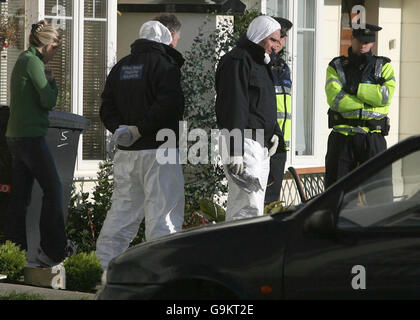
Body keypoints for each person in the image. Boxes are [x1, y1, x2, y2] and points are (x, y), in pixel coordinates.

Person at [96, 17, 185, 270]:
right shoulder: (165, 65)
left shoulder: (121, 67)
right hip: (160, 150)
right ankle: (162, 275)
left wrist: (122, 130)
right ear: (166, 39)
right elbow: (169, 106)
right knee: (163, 215)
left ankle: (101, 270)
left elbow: (107, 106)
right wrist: (141, 129)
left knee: (121, 215)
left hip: (127, 153)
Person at [4, 20, 67, 267]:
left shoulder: (23, 60)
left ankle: (13, 254)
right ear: (47, 45)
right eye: (56, 48)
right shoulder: (33, 62)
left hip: (15, 136)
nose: (56, 53)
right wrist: (52, 81)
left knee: (20, 197)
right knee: (54, 189)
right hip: (30, 138)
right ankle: (52, 251)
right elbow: (48, 100)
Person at [215, 15, 282, 221]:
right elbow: (233, 105)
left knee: (253, 206)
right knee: (246, 205)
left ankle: (245, 251)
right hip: (243, 142)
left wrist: (274, 132)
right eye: (272, 40)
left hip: (258, 143)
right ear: (260, 37)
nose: (276, 45)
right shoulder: (238, 60)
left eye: (278, 40)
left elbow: (264, 104)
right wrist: (235, 149)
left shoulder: (259, 62)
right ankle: (235, 252)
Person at [325, 24, 396, 188]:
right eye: (359, 40)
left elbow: (384, 98)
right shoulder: (336, 66)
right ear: (352, 39)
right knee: (335, 193)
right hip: (342, 138)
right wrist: (369, 100)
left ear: (373, 43)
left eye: (368, 41)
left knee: (379, 192)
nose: (363, 45)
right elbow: (336, 99)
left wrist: (355, 88)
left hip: (373, 138)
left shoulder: (384, 66)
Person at [265, 17, 293, 205]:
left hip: (281, 142)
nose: (280, 43)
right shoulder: (261, 63)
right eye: (276, 38)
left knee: (273, 199)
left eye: (283, 38)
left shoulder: (283, 67)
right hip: (264, 138)